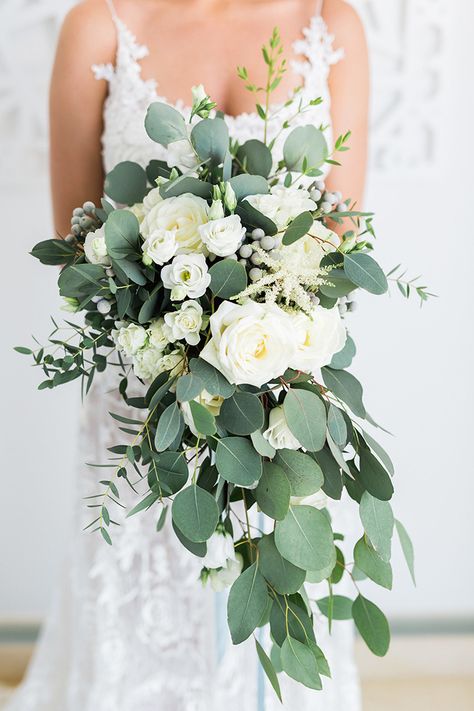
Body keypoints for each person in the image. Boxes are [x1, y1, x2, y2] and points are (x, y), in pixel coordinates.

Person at [5, 1, 369, 709]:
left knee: (283, 617)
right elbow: (78, 251)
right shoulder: (100, 25)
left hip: (286, 404)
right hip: (144, 404)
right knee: (140, 626)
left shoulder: (333, 23)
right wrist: (181, 322)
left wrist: (266, 331)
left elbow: (340, 245)